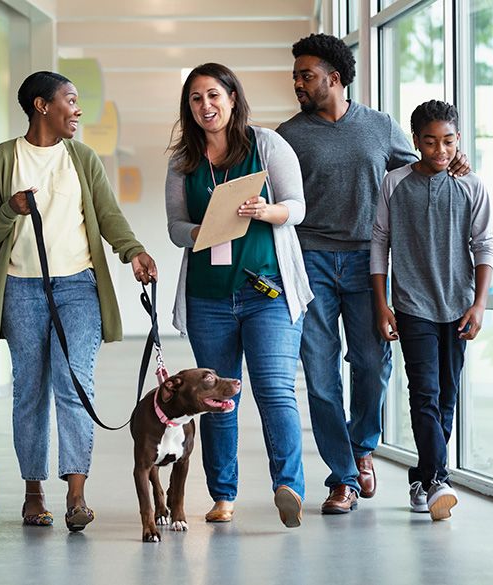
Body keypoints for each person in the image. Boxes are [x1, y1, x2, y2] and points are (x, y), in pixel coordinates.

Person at [276, 33, 470, 514]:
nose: (297, 82)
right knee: (320, 376)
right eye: (296, 75)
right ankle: (342, 477)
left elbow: (421, 168)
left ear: (334, 78)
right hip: (310, 262)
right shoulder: (289, 135)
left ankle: (363, 446)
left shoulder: (380, 127)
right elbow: (277, 197)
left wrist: (457, 162)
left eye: (306, 74)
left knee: (371, 364)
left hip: (369, 262)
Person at [0, 71, 157, 531]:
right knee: (30, 393)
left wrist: (133, 251)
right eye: (70, 100)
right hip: (19, 287)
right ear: (41, 106)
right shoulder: (2, 159)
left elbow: (108, 213)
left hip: (77, 287)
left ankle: (76, 494)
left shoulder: (82, 157)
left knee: (74, 386)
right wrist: (8, 210)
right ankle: (34, 493)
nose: (76, 110)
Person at [165, 63, 314, 528]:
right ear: (189, 108)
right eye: (195, 99)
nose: (206, 106)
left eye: (213, 95)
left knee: (275, 390)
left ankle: (288, 487)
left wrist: (265, 210)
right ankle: (223, 495)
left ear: (232, 97)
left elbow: (297, 207)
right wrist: (202, 231)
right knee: (216, 399)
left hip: (267, 291)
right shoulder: (182, 160)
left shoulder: (267, 145)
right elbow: (174, 228)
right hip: (209, 297)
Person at [370, 100, 493, 520]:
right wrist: (382, 303)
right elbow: (379, 242)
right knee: (424, 392)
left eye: (448, 141)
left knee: (447, 395)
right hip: (412, 305)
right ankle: (440, 478)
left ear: (458, 140)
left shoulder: (471, 185)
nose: (440, 150)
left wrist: (479, 303)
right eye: (430, 141)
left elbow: (484, 245)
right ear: (416, 141)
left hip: (458, 304)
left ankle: (421, 477)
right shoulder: (394, 182)